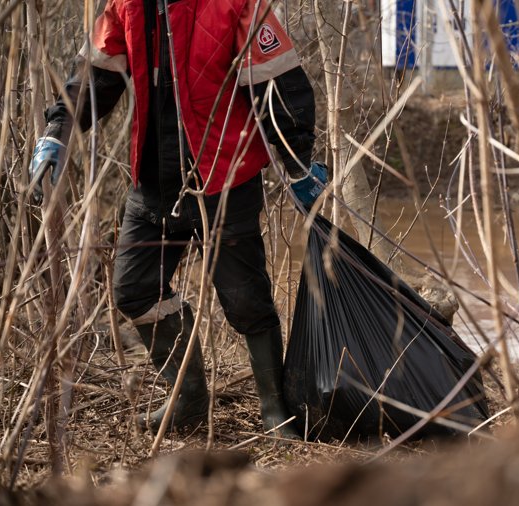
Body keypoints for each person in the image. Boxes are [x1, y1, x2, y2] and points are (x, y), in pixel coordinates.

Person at [30, 0, 327, 438]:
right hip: (154, 181)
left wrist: (298, 162)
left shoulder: (239, 3)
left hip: (226, 177)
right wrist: (58, 131)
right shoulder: (125, 5)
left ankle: (273, 408)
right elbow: (94, 81)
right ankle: (187, 399)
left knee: (246, 299)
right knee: (134, 289)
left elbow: (279, 84)